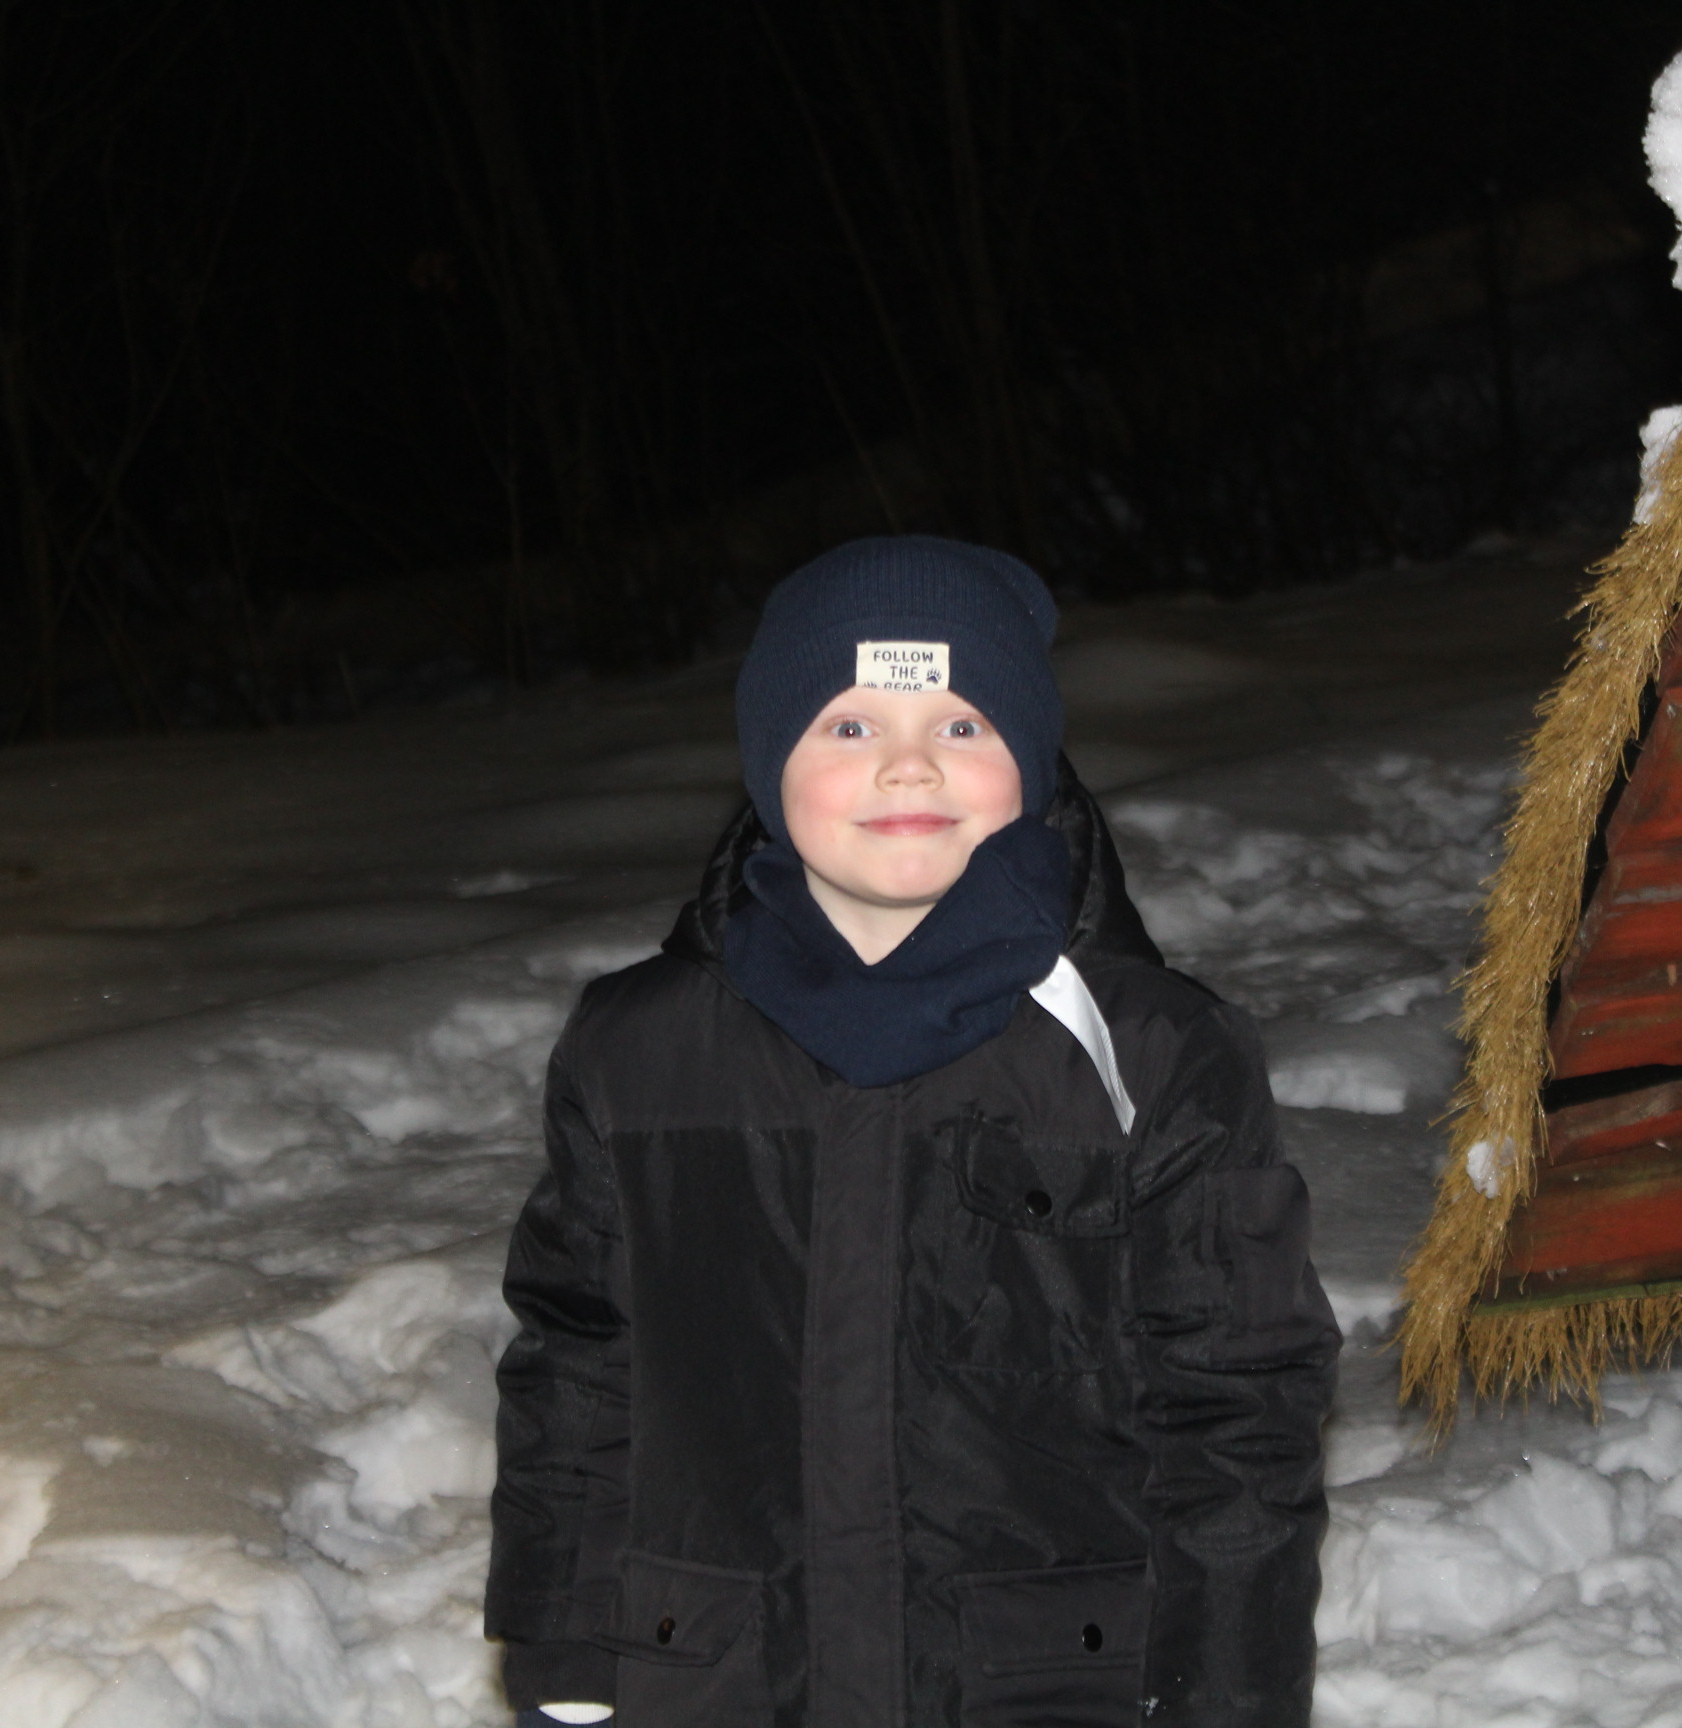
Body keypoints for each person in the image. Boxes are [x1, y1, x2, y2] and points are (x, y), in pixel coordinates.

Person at [485, 536, 1338, 1727]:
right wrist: (567, 1661)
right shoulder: (639, 1049)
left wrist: (1224, 1700)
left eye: (961, 724)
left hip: (1045, 1688)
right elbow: (580, 1370)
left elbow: (1237, 1414)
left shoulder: (1154, 1054)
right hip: (721, 1679)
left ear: (1030, 760)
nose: (907, 766)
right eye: (849, 725)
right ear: (768, 759)